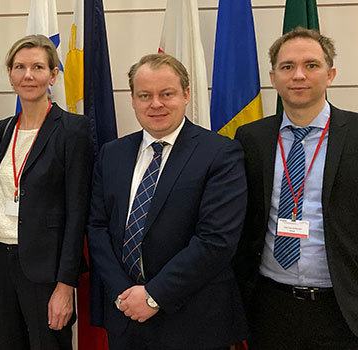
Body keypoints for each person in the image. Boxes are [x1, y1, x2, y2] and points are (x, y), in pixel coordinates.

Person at [86, 53, 247, 350]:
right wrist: (125, 293)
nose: (155, 104)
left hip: (193, 319)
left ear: (186, 95)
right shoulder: (112, 154)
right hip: (125, 314)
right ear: (132, 100)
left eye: (166, 94)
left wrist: (153, 296)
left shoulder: (220, 153)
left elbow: (216, 241)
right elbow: (97, 228)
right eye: (144, 95)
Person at [232, 27, 358, 349]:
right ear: (273, 77)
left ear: (330, 74)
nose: (298, 75)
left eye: (311, 65)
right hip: (270, 306)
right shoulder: (251, 138)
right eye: (287, 67)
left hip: (343, 307)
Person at [0, 34, 93, 350]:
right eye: (19, 67)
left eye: (37, 67)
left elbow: (77, 212)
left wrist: (65, 285)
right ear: (10, 74)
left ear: (53, 75)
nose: (28, 75)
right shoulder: (3, 128)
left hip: (45, 269)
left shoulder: (74, 129)